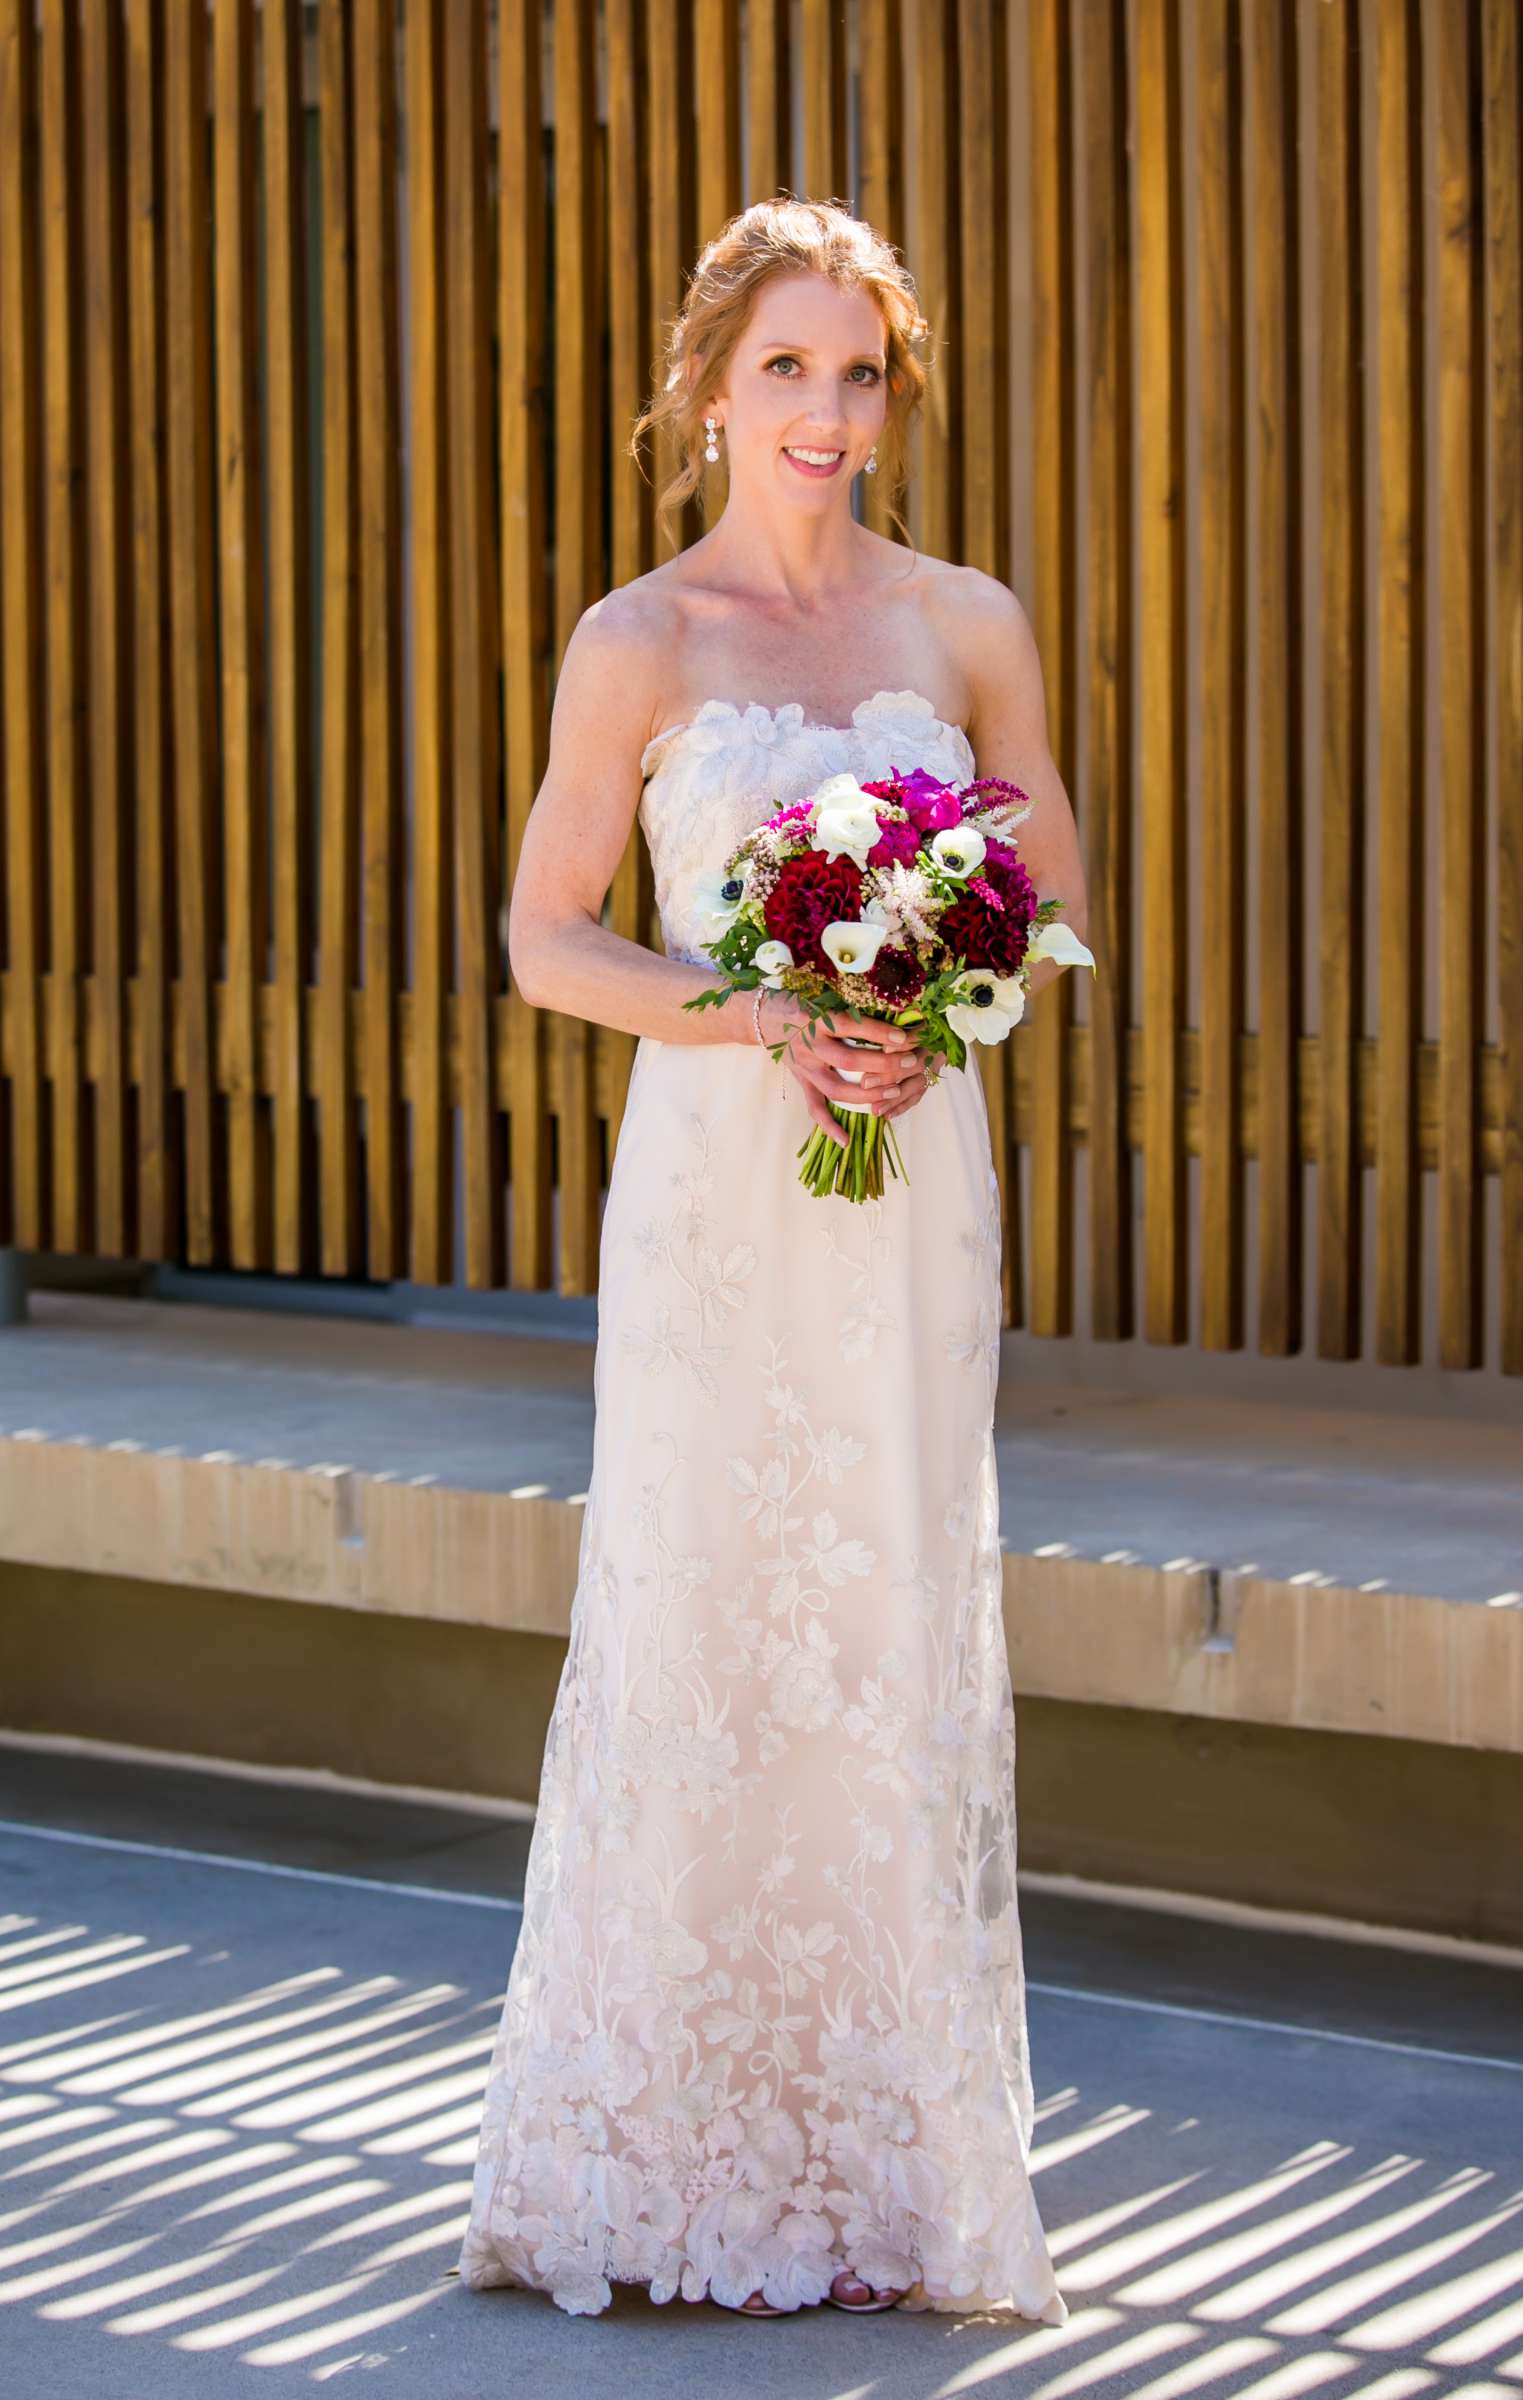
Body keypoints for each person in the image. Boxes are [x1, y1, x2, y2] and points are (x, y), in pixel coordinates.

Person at [456, 195, 1087, 2325]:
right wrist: (750, 1008)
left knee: (888, 1613)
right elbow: (544, 936)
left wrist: (931, 990)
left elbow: (1047, 882)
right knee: (707, 1610)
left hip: (905, 1192)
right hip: (720, 1197)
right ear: (712, 382)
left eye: (861, 373)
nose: (826, 413)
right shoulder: (639, 638)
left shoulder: (965, 619)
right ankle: (656, 2154)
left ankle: (892, 2175)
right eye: (786, 368)